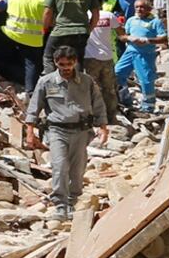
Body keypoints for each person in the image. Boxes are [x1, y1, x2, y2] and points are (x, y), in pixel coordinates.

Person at [25, 45, 109, 220]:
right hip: (56, 130)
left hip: (81, 131)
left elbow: (98, 104)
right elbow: (34, 107)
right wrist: (30, 132)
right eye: (62, 64)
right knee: (60, 166)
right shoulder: (46, 82)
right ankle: (60, 204)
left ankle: (72, 200)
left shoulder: (86, 81)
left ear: (75, 62)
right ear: (56, 63)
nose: (66, 68)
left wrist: (103, 127)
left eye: (69, 64)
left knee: (77, 169)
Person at [0, 0, 46, 95]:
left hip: (11, 35)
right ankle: (30, 91)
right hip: (33, 39)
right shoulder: (43, 1)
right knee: (31, 65)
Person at [115, 0, 167, 113]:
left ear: (148, 9)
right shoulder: (131, 20)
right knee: (117, 73)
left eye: (142, 7)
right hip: (130, 52)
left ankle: (148, 106)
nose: (139, 9)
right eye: (137, 7)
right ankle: (125, 98)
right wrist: (129, 38)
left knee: (146, 80)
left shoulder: (154, 22)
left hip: (145, 54)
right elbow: (123, 36)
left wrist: (147, 40)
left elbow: (163, 38)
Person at [42, 0, 98, 73]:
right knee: (77, 59)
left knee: (49, 57)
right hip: (81, 32)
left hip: (60, 31)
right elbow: (96, 15)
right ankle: (77, 84)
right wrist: (89, 29)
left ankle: (51, 84)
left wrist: (45, 28)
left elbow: (47, 13)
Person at [85, 0, 123, 121]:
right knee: (109, 89)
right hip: (107, 56)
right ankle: (111, 117)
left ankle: (97, 118)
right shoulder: (109, 15)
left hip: (90, 58)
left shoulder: (84, 16)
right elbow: (121, 34)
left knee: (94, 89)